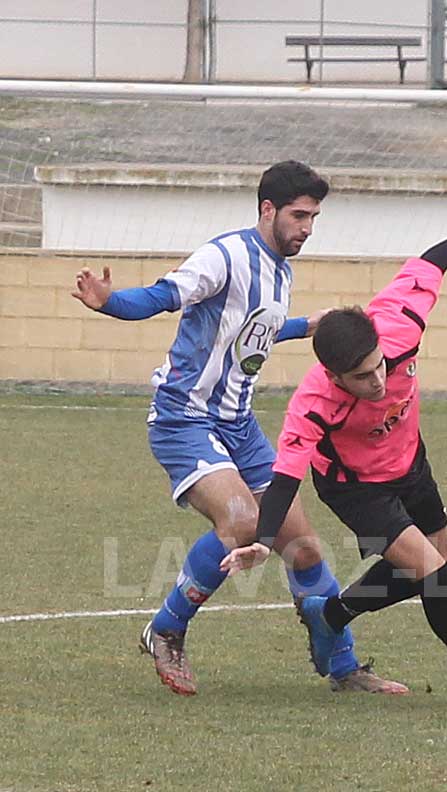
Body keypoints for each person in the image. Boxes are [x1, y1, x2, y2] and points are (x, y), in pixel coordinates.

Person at [72, 160, 407, 697]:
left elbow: (252, 330)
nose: (307, 228)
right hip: (185, 416)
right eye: (299, 216)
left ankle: (344, 668)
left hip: (238, 424)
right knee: (244, 521)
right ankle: (166, 629)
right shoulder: (224, 256)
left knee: (304, 549)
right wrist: (111, 302)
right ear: (268, 209)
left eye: (314, 218)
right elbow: (163, 295)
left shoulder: (281, 271)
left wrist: (305, 326)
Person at [219, 196, 447, 711]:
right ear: (334, 376)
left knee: (429, 569)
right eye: (362, 378)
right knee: (435, 575)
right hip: (356, 487)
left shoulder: (400, 323)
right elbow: (285, 477)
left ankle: (331, 614)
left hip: (410, 462)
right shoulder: (313, 403)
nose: (378, 381)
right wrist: (263, 541)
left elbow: (433, 261)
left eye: (380, 366)